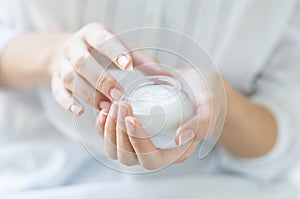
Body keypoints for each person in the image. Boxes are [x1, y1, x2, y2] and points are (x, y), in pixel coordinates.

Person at [0, 0, 300, 198]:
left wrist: (223, 105)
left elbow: (285, 140)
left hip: (215, 186)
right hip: (42, 179)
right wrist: (54, 55)